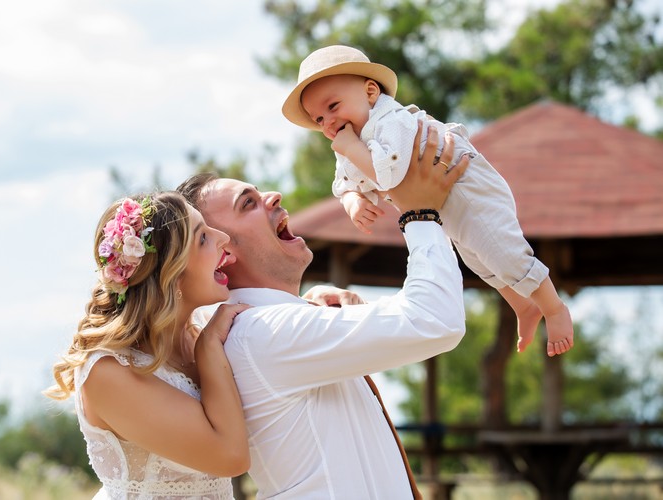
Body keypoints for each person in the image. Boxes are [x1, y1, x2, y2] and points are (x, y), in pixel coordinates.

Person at [176, 125, 467, 499]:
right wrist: (421, 212)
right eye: (247, 203)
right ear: (222, 253)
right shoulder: (264, 333)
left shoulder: (276, 326)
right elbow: (435, 318)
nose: (273, 195)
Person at [282, 44, 574, 357]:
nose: (328, 122)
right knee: (479, 260)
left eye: (333, 106)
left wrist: (352, 149)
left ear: (370, 93)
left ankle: (555, 309)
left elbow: (390, 175)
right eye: (319, 119)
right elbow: (344, 182)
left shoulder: (390, 120)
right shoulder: (350, 141)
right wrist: (353, 200)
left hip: (467, 186)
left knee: (503, 251)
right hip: (442, 202)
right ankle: (524, 305)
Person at [44, 192, 253, 500]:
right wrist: (208, 349)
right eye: (203, 238)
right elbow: (231, 457)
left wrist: (318, 301)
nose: (223, 237)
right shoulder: (107, 371)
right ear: (171, 275)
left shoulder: (204, 330)